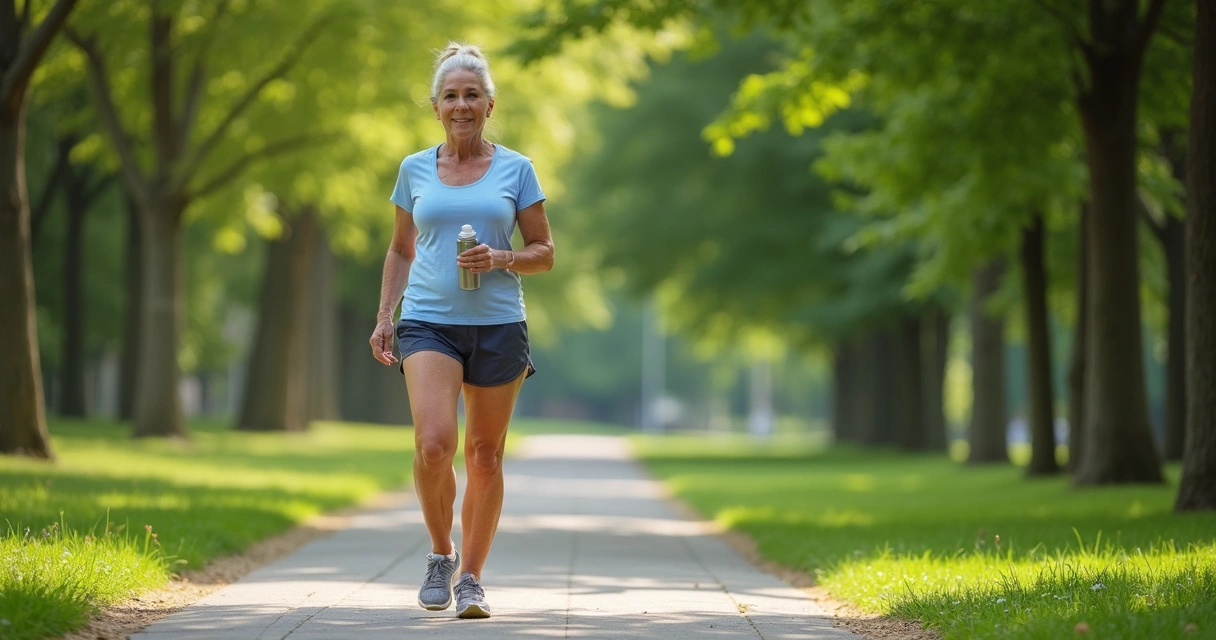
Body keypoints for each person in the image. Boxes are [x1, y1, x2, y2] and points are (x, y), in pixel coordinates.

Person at [368, 42, 554, 619]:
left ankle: (472, 577)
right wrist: (384, 316)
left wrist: (502, 258)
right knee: (432, 445)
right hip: (428, 322)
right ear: (436, 107)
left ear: (489, 105)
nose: (462, 104)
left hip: (498, 324)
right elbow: (400, 249)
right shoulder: (414, 169)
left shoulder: (517, 169)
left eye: (472, 94)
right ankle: (440, 554)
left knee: (485, 455)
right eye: (451, 95)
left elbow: (545, 252)